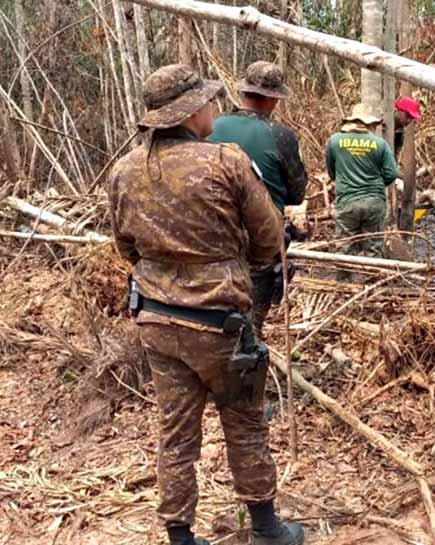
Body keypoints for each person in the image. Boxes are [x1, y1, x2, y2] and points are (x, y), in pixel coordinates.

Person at [107, 64, 303, 545]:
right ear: (193, 111)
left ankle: (180, 537)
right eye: (208, 102)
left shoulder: (125, 169)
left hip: (156, 318)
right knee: (244, 422)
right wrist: (232, 259)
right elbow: (268, 238)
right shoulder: (226, 162)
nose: (213, 107)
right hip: (221, 324)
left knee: (175, 432)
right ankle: (266, 528)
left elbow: (124, 246)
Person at [209, 60, 307, 334]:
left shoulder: (209, 128)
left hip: (208, 237)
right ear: (274, 99)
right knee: (249, 328)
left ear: (243, 92)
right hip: (259, 242)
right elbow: (297, 194)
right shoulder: (280, 136)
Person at [325, 103, 400, 270]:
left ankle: (344, 286)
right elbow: (392, 173)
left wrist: (345, 181)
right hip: (374, 202)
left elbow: (332, 171)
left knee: (345, 247)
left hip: (346, 201)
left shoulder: (334, 141)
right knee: (374, 246)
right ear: (370, 124)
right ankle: (373, 285)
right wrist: (377, 185)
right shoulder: (379, 144)